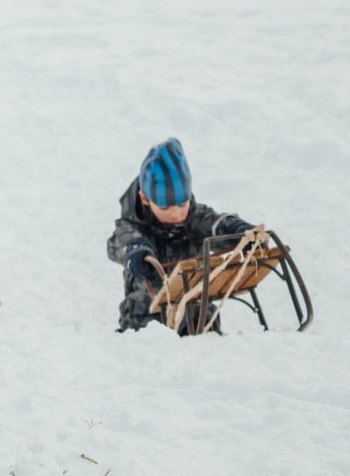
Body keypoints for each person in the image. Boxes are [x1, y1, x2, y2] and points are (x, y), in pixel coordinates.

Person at [107, 138, 255, 333]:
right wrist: (136, 251)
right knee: (143, 310)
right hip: (146, 319)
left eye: (182, 205)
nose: (176, 214)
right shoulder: (132, 226)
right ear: (144, 199)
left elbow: (213, 223)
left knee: (202, 313)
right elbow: (122, 240)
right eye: (165, 207)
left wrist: (235, 229)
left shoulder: (194, 218)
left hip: (197, 316)